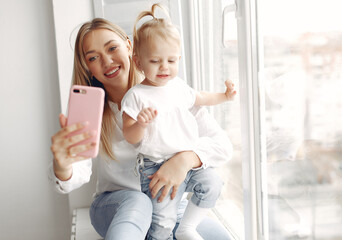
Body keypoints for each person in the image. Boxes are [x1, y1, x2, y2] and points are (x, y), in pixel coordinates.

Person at [48, 17, 233, 240]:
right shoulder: (93, 112)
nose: (107, 61)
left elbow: (222, 146)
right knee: (139, 201)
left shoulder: (171, 93)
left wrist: (185, 160)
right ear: (87, 67)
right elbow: (75, 175)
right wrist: (63, 164)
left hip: (165, 203)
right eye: (94, 57)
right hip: (114, 205)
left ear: (129, 46)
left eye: (112, 48)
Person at [121, 4, 236, 240]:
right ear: (138, 62)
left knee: (213, 184)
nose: (165, 67)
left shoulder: (179, 87)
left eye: (172, 61)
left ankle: (187, 228)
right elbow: (129, 136)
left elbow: (201, 97)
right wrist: (140, 125)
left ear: (179, 59)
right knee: (162, 224)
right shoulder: (136, 96)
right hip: (156, 167)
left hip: (188, 162)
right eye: (155, 61)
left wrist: (224, 96)